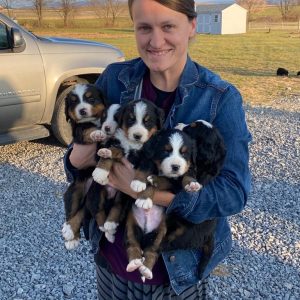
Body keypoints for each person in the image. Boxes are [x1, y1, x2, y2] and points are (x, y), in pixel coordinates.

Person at [64, 0, 252, 299]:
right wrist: (78, 155)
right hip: (112, 261)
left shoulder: (220, 98)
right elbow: (77, 164)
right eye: (144, 28)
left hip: (175, 273)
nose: (155, 41)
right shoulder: (115, 78)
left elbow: (233, 193)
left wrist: (142, 191)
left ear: (192, 26)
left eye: (168, 26)